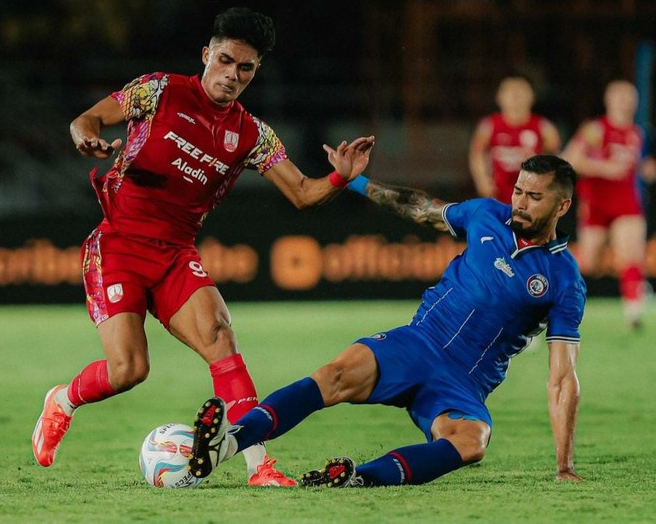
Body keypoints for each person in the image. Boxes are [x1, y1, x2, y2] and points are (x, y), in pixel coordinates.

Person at [31, 6, 375, 487]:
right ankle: (62, 401)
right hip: (118, 245)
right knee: (129, 369)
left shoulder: (252, 135)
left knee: (221, 338)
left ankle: (261, 468)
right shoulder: (160, 90)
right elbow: (86, 119)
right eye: (226, 61)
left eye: (246, 68)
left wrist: (340, 176)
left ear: (255, 73)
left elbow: (302, 192)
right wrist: (87, 137)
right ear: (206, 55)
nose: (233, 75)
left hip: (174, 255)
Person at [188, 154, 586, 487]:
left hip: (464, 382)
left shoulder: (564, 279)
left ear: (562, 206)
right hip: (416, 344)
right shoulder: (485, 215)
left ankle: (356, 478)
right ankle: (228, 443)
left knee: (473, 441)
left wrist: (564, 465)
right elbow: (420, 208)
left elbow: (562, 378)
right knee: (334, 375)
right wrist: (355, 181)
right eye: (518, 190)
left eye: (534, 197)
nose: (519, 202)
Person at [563, 80, 656, 329]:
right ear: (609, 100)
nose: (625, 101)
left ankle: (634, 314)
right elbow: (570, 159)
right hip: (596, 203)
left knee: (632, 255)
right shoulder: (595, 130)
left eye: (629, 97)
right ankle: (553, 301)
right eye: (620, 96)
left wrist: (647, 169)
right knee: (589, 261)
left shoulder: (638, 133)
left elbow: (638, 165)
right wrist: (604, 168)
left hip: (626, 203)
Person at [469, 75, 562, 203]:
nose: (515, 96)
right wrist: (482, 180)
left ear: (532, 96)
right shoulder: (488, 126)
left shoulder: (544, 127)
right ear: (499, 97)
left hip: (531, 196)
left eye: (521, 91)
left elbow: (555, 158)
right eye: (510, 91)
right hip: (498, 195)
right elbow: (477, 155)